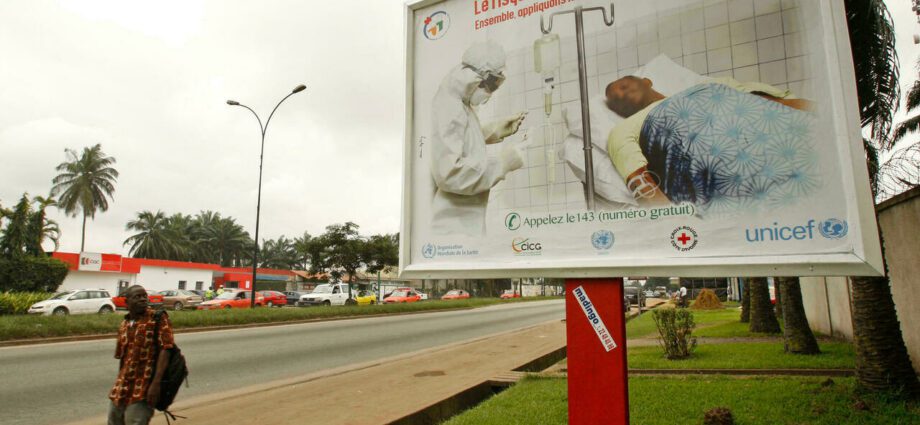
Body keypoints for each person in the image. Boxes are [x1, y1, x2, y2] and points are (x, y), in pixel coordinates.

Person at [604, 75, 815, 213]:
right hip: (741, 188)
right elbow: (643, 185)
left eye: (623, 85)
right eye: (615, 99)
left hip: (798, 150)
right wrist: (677, 226)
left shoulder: (712, 87)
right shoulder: (623, 130)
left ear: (646, 80)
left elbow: (775, 107)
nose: (620, 93)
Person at [429, 40, 528, 236]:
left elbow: (456, 139)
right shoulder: (449, 105)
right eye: (491, 84)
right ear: (475, 77)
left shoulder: (457, 100)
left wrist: (494, 130)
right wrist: (502, 163)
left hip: (462, 224)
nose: (490, 92)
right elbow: (449, 174)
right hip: (452, 230)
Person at [108, 285, 174, 425]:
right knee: (113, 421)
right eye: (137, 297)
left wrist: (156, 385)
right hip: (121, 388)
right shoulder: (124, 324)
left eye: (144, 296)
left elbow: (166, 349)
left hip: (144, 387)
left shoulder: (157, 318)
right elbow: (122, 358)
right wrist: (119, 381)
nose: (143, 299)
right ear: (127, 302)